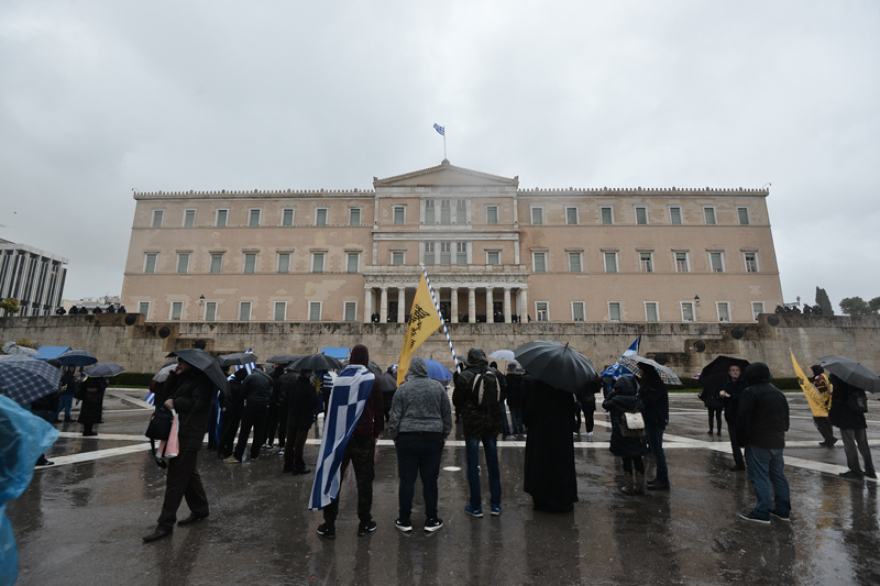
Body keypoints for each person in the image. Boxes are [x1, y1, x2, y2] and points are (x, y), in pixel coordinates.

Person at [143, 358, 213, 542]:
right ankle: (200, 509)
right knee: (188, 474)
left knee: (176, 479)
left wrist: (177, 403)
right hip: (180, 431)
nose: (179, 363)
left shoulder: (203, 381)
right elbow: (168, 392)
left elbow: (200, 404)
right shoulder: (186, 377)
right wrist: (174, 376)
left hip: (189, 434)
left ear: (193, 363)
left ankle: (165, 524)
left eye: (183, 361)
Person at [317, 345, 384, 539]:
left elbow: (332, 409)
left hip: (341, 438)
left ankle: (329, 524)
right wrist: (376, 433)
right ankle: (364, 522)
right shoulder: (373, 380)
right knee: (364, 482)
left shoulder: (340, 380)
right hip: (364, 437)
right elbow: (379, 411)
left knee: (334, 480)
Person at [388, 356, 452, 533]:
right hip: (433, 437)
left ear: (411, 370)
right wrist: (445, 434)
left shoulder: (403, 388)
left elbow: (395, 416)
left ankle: (405, 519)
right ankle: (431, 518)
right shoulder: (437, 387)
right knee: (430, 479)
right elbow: (447, 413)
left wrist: (395, 436)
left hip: (407, 438)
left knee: (407, 480)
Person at [736, 362, 791, 524]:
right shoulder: (778, 392)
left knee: (760, 477)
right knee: (778, 476)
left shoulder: (750, 392)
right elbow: (786, 420)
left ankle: (762, 511)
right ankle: (783, 511)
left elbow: (743, 420)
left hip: (758, 441)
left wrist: (742, 441)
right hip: (777, 441)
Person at [453, 349, 504, 518]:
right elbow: (504, 392)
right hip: (491, 423)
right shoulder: (495, 373)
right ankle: (495, 505)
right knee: (492, 463)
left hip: (473, 425)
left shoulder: (465, 376)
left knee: (473, 464)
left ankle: (476, 506)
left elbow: (456, 401)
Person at [522, 374, 578, 512]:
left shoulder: (536, 385)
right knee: (561, 466)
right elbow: (572, 412)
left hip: (540, 434)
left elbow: (527, 412)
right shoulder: (566, 387)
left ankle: (542, 501)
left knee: (540, 465)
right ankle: (562, 500)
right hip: (561, 435)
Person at [603, 376, 649, 495]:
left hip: (622, 434)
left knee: (626, 460)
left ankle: (628, 487)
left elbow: (605, 404)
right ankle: (640, 486)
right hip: (637, 434)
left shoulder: (615, 400)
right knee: (638, 459)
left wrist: (611, 393)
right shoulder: (638, 400)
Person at [828, 374, 876, 480]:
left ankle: (855, 471)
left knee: (849, 445)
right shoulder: (857, 380)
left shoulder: (839, 380)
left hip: (846, 417)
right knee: (863, 444)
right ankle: (870, 470)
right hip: (858, 415)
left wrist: (831, 417)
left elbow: (837, 400)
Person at [225, 365, 273, 463]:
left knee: (244, 431)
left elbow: (242, 393)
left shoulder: (250, 377)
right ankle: (254, 455)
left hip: (251, 406)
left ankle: (238, 455)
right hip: (264, 407)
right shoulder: (269, 378)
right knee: (259, 431)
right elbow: (272, 393)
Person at [638, 362, 670, 490]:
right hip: (651, 419)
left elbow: (650, 401)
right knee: (655, 450)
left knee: (657, 451)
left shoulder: (656, 384)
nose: (639, 371)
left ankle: (663, 480)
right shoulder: (650, 383)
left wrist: (640, 396)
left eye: (640, 369)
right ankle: (660, 478)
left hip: (656, 421)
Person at [283, 368, 318, 474]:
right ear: (308, 376)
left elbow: (285, 400)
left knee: (289, 441)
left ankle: (288, 464)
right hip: (304, 417)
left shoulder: (292, 384)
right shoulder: (309, 388)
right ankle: (299, 465)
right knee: (299, 442)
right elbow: (314, 403)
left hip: (292, 416)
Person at [719, 365, 748, 471]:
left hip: (743, 415)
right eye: (733, 370)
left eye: (737, 370)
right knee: (734, 440)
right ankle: (739, 462)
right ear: (729, 372)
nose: (735, 372)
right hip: (730, 415)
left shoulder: (745, 382)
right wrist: (721, 394)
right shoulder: (725, 382)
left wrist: (730, 396)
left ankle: (749, 461)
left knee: (746, 439)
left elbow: (744, 397)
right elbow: (720, 398)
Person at [217, 368, 247, 459]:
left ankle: (224, 449)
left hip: (229, 411)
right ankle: (225, 450)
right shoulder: (238, 385)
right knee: (230, 432)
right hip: (234, 412)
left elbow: (221, 397)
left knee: (227, 431)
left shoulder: (230, 383)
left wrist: (223, 407)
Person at [263, 363, 289, 452]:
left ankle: (269, 442)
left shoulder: (270, 377)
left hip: (271, 403)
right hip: (281, 404)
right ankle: (281, 445)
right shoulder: (283, 379)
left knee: (270, 423)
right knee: (282, 424)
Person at [810, 365, 837, 447]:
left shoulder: (818, 378)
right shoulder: (823, 376)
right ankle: (828, 439)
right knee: (826, 421)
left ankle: (830, 438)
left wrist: (823, 404)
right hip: (828, 402)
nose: (812, 372)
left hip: (823, 403)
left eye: (812, 370)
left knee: (819, 420)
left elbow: (820, 392)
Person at [489, 361, 512, 440]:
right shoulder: (500, 375)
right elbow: (505, 387)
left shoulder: (488, 375)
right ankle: (506, 431)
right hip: (500, 400)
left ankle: (492, 432)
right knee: (503, 417)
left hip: (492, 400)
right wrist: (502, 397)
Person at [505, 364, 525, 436]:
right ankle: (521, 430)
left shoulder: (507, 378)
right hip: (519, 399)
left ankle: (515, 430)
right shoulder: (520, 378)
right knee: (519, 416)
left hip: (511, 399)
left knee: (513, 415)